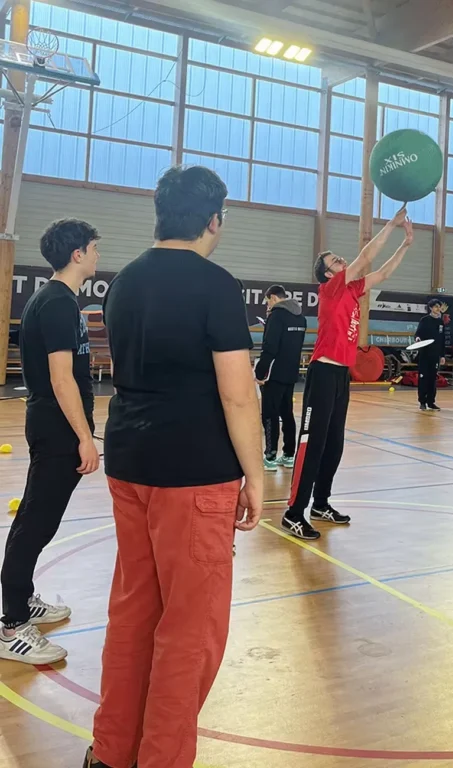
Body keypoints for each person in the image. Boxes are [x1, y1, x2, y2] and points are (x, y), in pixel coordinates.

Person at [86, 166, 264, 768]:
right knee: (191, 630)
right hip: (194, 475)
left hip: (130, 461)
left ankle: (112, 753)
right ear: (214, 220)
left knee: (134, 612)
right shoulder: (217, 286)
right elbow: (239, 394)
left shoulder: (124, 281)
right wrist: (258, 477)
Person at [0, 219, 101, 666]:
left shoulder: (58, 300)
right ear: (77, 253)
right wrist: (85, 437)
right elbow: (62, 381)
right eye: (94, 247)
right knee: (36, 522)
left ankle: (22, 600)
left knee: (38, 519)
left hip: (52, 424)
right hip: (57, 427)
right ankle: (11, 624)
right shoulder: (57, 303)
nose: (98, 255)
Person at [281, 209, 413, 541]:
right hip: (323, 373)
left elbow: (381, 273)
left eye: (341, 259)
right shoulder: (331, 291)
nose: (342, 261)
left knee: (334, 443)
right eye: (336, 261)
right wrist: (392, 225)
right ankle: (293, 512)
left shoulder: (352, 291)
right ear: (327, 274)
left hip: (342, 377)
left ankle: (320, 503)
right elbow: (368, 255)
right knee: (312, 444)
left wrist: (407, 243)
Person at [255, 284, 307, 471]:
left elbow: (270, 347)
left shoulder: (276, 316)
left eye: (268, 301)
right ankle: (288, 455)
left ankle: (269, 456)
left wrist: (259, 373)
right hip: (291, 373)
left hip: (274, 374)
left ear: (273, 298)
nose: (268, 305)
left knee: (269, 415)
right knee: (287, 414)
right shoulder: (300, 318)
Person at [416, 299, 447, 409]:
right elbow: (418, 334)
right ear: (430, 308)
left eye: (439, 307)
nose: (438, 309)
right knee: (424, 378)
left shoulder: (440, 322)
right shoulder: (424, 320)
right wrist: (418, 339)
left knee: (433, 379)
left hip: (435, 355)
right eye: (435, 307)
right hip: (425, 354)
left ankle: (431, 402)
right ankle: (422, 402)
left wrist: (442, 355)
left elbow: (442, 340)